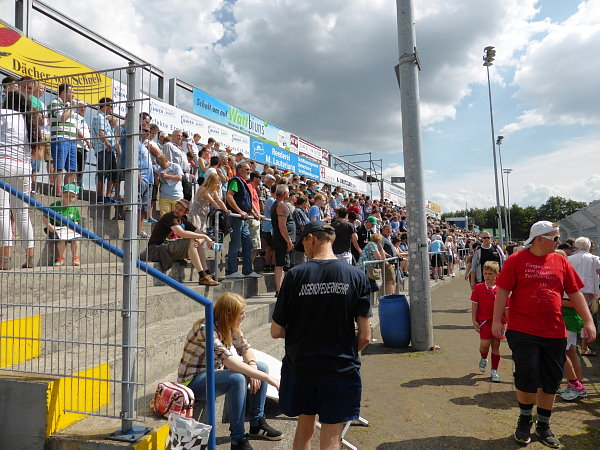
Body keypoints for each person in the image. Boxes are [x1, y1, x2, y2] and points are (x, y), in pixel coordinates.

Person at [492, 221, 596, 448]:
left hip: (554, 330)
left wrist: (589, 321)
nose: (559, 243)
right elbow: (502, 292)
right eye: (555, 238)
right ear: (539, 238)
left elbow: (575, 292)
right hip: (522, 329)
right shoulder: (516, 261)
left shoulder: (560, 261)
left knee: (551, 379)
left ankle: (544, 423)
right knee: (527, 374)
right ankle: (524, 419)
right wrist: (496, 321)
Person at [271, 221, 371, 450]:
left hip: (302, 366)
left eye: (302, 245)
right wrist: (345, 354)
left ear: (311, 239)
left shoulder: (295, 276)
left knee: (305, 428)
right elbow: (365, 336)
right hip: (340, 367)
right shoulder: (356, 276)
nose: (303, 251)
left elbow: (276, 331)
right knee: (332, 435)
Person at [179, 292, 282, 449]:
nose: (244, 316)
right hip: (193, 382)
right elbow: (230, 363)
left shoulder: (229, 325)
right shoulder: (206, 330)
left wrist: (253, 366)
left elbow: (245, 349)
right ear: (229, 314)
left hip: (213, 375)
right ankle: (238, 439)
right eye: (241, 313)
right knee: (237, 378)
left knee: (261, 367)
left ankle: (257, 423)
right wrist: (269, 379)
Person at [0, 91, 37, 270]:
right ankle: (29, 257)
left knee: (2, 212)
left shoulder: (4, 114)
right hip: (24, 167)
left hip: (3, 163)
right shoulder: (28, 120)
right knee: (22, 213)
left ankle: (4, 259)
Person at [145, 199, 219, 286]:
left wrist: (201, 239)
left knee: (197, 242)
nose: (177, 210)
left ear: (185, 213)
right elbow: (182, 233)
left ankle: (207, 273)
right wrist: (205, 237)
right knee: (192, 240)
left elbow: (200, 233)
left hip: (167, 248)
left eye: (180, 210)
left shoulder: (182, 220)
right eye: (176, 207)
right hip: (156, 249)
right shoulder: (169, 217)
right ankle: (202, 276)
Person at [225, 162, 261, 279]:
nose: (249, 172)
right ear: (239, 170)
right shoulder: (236, 181)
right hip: (236, 218)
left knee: (248, 244)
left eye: (249, 170)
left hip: (243, 219)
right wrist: (239, 211)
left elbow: (247, 203)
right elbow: (229, 196)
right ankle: (231, 271)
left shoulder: (244, 183)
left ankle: (247, 270)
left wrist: (255, 213)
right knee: (235, 243)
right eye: (247, 170)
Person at [471, 261, 505, 382]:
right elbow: (475, 305)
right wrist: (474, 320)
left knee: (496, 346)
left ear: (497, 274)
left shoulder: (501, 289)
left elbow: (506, 307)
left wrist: (506, 323)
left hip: (498, 322)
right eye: (485, 273)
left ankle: (494, 370)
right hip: (484, 322)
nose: (488, 276)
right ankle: (483, 357)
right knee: (484, 346)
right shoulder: (478, 287)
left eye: (490, 273)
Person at [567, 236, 600, 356]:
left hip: (572, 292)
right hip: (588, 293)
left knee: (573, 315)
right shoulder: (594, 259)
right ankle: (585, 347)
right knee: (587, 318)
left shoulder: (569, 259)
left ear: (576, 246)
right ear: (589, 247)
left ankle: (571, 344)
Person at [49, 83, 77, 197]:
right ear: (63, 93)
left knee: (72, 169)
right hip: (60, 138)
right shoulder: (54, 103)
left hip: (72, 140)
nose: (73, 94)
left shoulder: (68, 105)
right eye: (71, 92)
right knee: (59, 167)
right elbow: (62, 118)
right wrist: (71, 107)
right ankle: (58, 192)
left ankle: (67, 191)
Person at [43, 184, 82, 266]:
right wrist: (49, 225)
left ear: (76, 197)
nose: (70, 199)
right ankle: (61, 258)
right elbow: (45, 216)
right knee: (62, 239)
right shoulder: (55, 205)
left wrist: (75, 224)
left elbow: (76, 220)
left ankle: (75, 257)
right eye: (67, 196)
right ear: (62, 195)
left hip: (69, 229)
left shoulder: (74, 208)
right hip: (56, 229)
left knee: (76, 239)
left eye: (72, 196)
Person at [271, 184, 295, 294]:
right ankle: (279, 290)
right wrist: (289, 241)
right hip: (282, 240)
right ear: (285, 194)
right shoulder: (281, 206)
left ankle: (281, 290)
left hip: (281, 239)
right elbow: (282, 226)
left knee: (283, 265)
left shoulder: (278, 204)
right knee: (280, 265)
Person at [154, 153, 184, 217]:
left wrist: (167, 176)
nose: (161, 166)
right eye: (160, 165)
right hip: (164, 196)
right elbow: (157, 183)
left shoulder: (175, 166)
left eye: (162, 164)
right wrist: (156, 176)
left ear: (166, 161)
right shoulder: (159, 170)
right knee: (165, 217)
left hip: (176, 196)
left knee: (176, 217)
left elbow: (180, 178)